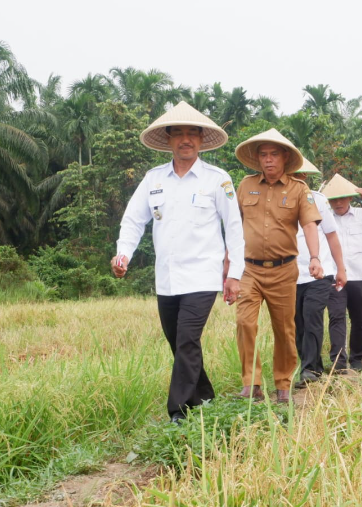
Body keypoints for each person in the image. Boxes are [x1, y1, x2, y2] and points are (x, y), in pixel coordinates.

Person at [112, 101, 244, 424]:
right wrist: (123, 254)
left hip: (202, 277)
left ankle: (179, 413)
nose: (186, 139)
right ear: (169, 139)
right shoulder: (154, 179)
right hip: (167, 279)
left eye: (192, 134)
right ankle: (206, 395)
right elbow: (133, 220)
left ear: (201, 139)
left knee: (187, 339)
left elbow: (235, 227)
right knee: (178, 342)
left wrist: (235, 274)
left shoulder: (217, 179)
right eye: (179, 134)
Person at [234, 128, 323, 405]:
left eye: (274, 154)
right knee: (244, 322)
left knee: (284, 329)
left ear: (285, 158)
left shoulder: (299, 189)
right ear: (258, 159)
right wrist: (227, 267)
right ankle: (252, 383)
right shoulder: (245, 185)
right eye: (263, 155)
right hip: (249, 269)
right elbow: (232, 226)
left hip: (284, 270)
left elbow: (309, 225)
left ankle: (283, 384)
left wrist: (315, 258)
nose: (269, 160)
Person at [292, 159, 347, 386]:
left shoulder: (319, 200)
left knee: (312, 316)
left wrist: (340, 268)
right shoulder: (277, 200)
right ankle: (310, 364)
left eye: (298, 175)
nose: (295, 179)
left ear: (304, 177)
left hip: (319, 272)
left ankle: (309, 371)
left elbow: (332, 236)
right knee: (297, 323)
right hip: (289, 274)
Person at [323, 174, 362, 372]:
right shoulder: (324, 218)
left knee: (359, 319)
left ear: (350, 198)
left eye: (342, 198)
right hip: (334, 276)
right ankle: (338, 362)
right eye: (334, 199)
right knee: (336, 317)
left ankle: (357, 359)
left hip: (360, 275)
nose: (338, 203)